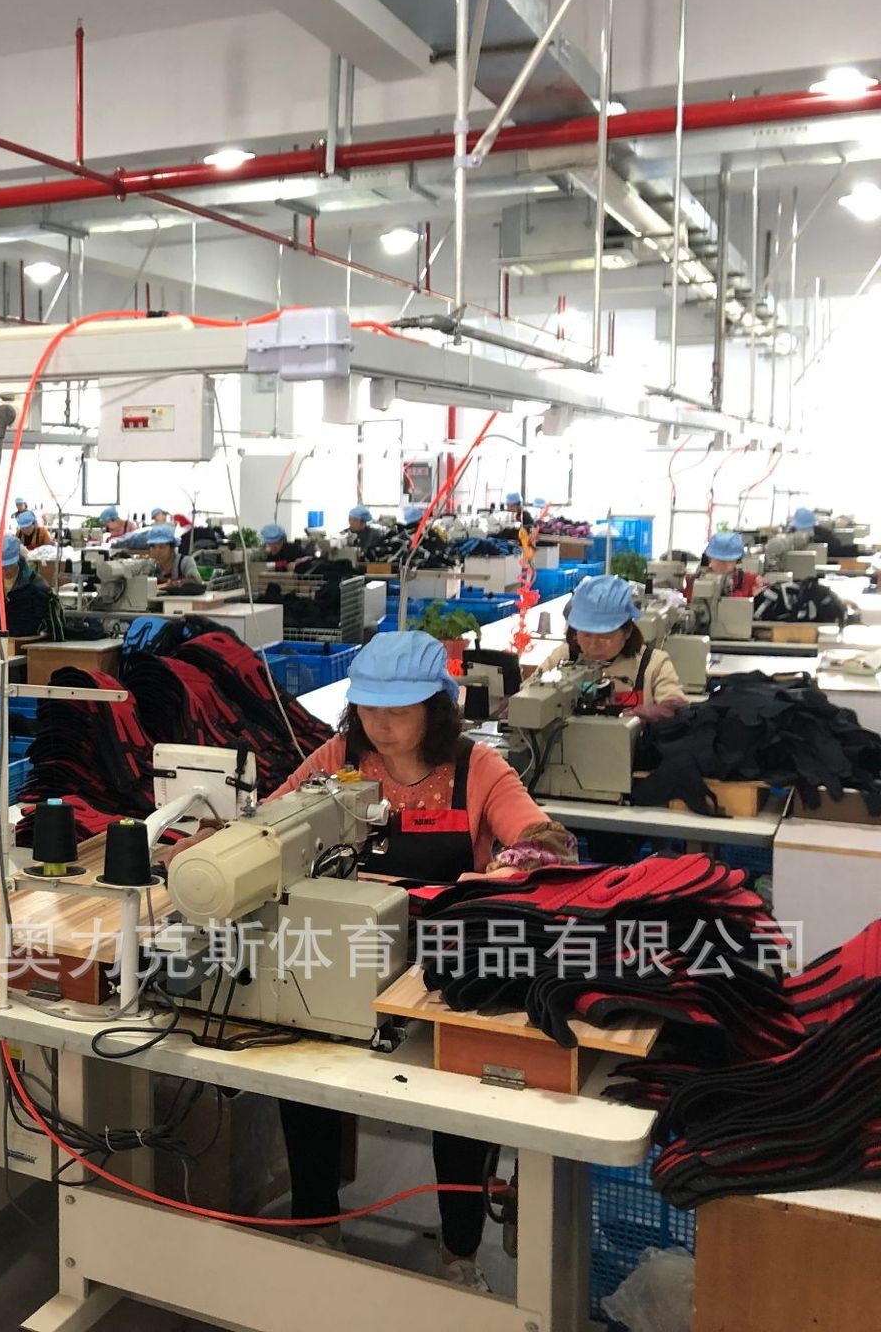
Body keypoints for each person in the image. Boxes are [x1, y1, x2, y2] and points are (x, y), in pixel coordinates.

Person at [271, 631, 576, 1289]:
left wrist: (509, 867)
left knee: (460, 1100)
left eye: (399, 710)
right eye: (369, 708)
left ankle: (459, 1252)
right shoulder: (338, 759)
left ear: (437, 708)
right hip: (343, 957)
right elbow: (270, 824)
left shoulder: (478, 769)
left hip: (441, 968)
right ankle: (316, 1224)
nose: (380, 725)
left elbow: (549, 843)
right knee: (304, 1078)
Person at [565, 575, 687, 714]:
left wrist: (637, 716)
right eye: (586, 635)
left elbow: (677, 709)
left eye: (605, 635)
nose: (593, 645)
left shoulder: (653, 664)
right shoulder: (564, 656)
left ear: (627, 631)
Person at [0, 535, 54, 639]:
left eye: (9, 566)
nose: (4, 571)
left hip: (22, 640)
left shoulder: (35, 583)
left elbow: (45, 620)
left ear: (17, 559)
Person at [693, 530, 760, 599]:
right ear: (709, 559)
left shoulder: (750, 581)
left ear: (737, 561)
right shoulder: (695, 580)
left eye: (728, 561)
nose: (722, 565)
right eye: (718, 560)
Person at [143, 523, 202, 593]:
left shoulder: (185, 562)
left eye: (162, 547)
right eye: (153, 547)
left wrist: (170, 585)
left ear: (171, 548)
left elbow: (196, 580)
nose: (157, 551)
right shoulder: (150, 566)